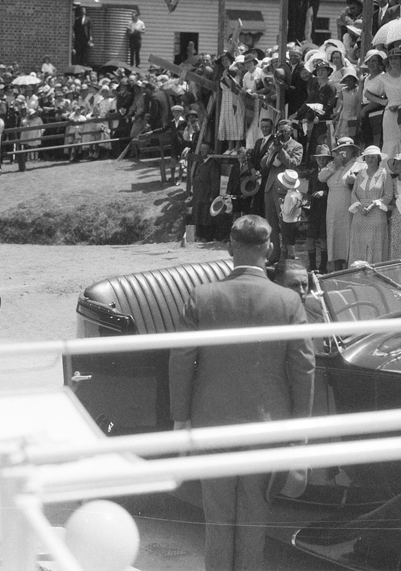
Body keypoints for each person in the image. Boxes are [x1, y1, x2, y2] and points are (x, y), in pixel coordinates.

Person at [169, 215, 314, 571]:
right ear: (269, 248)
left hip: (212, 422)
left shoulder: (202, 296)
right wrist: (300, 432)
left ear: (230, 248)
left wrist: (180, 419)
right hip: (267, 426)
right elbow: (304, 368)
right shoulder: (288, 301)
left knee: (217, 522)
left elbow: (181, 358)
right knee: (253, 523)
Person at [260, 119, 302, 264]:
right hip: (270, 187)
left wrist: (281, 150)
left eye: (284, 131)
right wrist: (273, 150)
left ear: (291, 131)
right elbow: (263, 164)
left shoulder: (297, 146)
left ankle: (285, 255)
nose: (282, 134)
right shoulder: (273, 143)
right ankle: (273, 255)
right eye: (280, 131)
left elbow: (293, 164)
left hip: (284, 189)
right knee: (271, 223)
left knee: (285, 223)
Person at [320, 137, 363, 271]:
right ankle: (337, 268)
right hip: (332, 206)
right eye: (339, 150)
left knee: (348, 235)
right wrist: (334, 164)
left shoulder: (359, 165)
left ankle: (349, 268)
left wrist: (355, 181)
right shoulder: (334, 165)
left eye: (345, 149)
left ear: (351, 150)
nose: (342, 152)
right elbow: (321, 177)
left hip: (348, 204)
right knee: (334, 235)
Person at [347, 145, 394, 264]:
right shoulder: (360, 174)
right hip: (360, 214)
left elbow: (388, 195)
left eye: (373, 157)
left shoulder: (384, 174)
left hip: (376, 213)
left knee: (375, 244)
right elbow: (354, 193)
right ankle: (358, 274)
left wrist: (374, 204)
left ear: (378, 158)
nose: (370, 160)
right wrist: (359, 206)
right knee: (358, 244)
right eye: (367, 157)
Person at [305, 144, 332, 273]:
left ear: (327, 159)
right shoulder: (313, 173)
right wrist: (304, 201)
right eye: (319, 158)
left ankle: (323, 266)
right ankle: (312, 265)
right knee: (310, 238)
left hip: (326, 208)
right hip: (314, 209)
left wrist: (324, 193)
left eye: (323, 158)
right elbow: (310, 191)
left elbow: (334, 190)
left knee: (323, 238)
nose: (321, 161)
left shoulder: (331, 172)